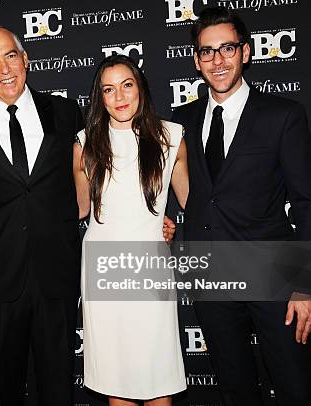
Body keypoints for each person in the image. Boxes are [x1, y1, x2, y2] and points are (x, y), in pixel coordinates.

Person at [0, 27, 177, 405]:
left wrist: (156, 217)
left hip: (58, 275)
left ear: (25, 60)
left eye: (10, 56)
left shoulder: (66, 112)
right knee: (4, 387)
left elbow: (108, 168)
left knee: (57, 388)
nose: (4, 68)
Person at [171, 7, 311, 406]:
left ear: (246, 52)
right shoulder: (180, 122)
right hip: (213, 281)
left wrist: (308, 285)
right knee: (234, 389)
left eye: (227, 48)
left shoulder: (282, 116)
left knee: (294, 387)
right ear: (196, 60)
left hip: (275, 279)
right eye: (207, 52)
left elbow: (309, 203)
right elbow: (182, 190)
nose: (217, 60)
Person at [74, 55, 189, 406]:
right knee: (116, 380)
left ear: (140, 88)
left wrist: (168, 225)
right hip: (103, 270)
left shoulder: (172, 136)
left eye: (127, 85)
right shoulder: (85, 143)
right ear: (100, 97)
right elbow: (78, 209)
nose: (120, 97)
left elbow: (195, 205)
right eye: (109, 90)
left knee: (158, 378)